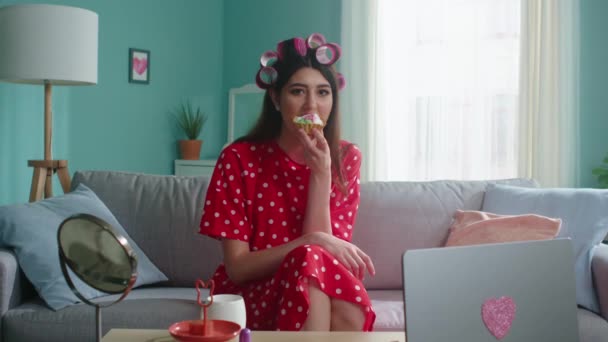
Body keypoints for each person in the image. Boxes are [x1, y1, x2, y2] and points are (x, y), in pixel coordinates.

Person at [199, 33, 376, 332]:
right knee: (310, 260)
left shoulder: (346, 157)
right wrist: (311, 241)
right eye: (297, 91)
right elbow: (238, 268)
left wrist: (321, 174)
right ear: (275, 99)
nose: (312, 105)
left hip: (316, 280)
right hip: (254, 291)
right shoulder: (238, 158)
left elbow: (325, 257)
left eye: (323, 93)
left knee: (334, 289)